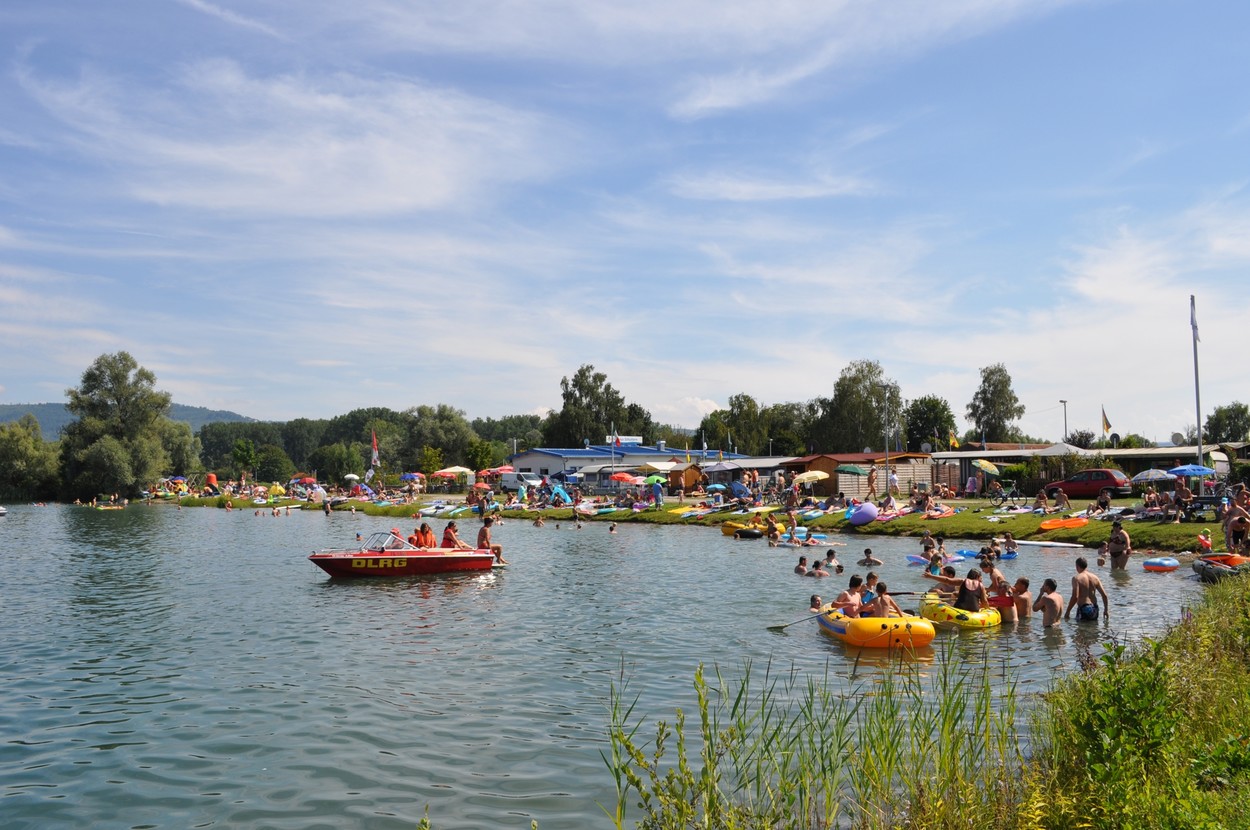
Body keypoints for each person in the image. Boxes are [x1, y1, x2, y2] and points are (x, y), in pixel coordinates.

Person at [1065, 557, 1110, 622]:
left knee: (1081, 627)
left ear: (1077, 566)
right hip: (1095, 608)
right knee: (1093, 627)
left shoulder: (1076, 578)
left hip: (1084, 608)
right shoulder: (1095, 577)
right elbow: (1104, 595)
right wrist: (1106, 610)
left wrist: (1068, 611)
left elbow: (1075, 597)